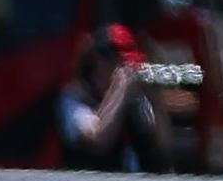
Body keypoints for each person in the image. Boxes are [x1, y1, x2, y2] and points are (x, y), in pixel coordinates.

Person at [52, 27, 168, 171]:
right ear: (98, 60)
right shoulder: (74, 98)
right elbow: (98, 140)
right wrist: (120, 90)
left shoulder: (136, 98)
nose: (128, 69)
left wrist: (155, 98)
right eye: (121, 63)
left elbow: (163, 144)